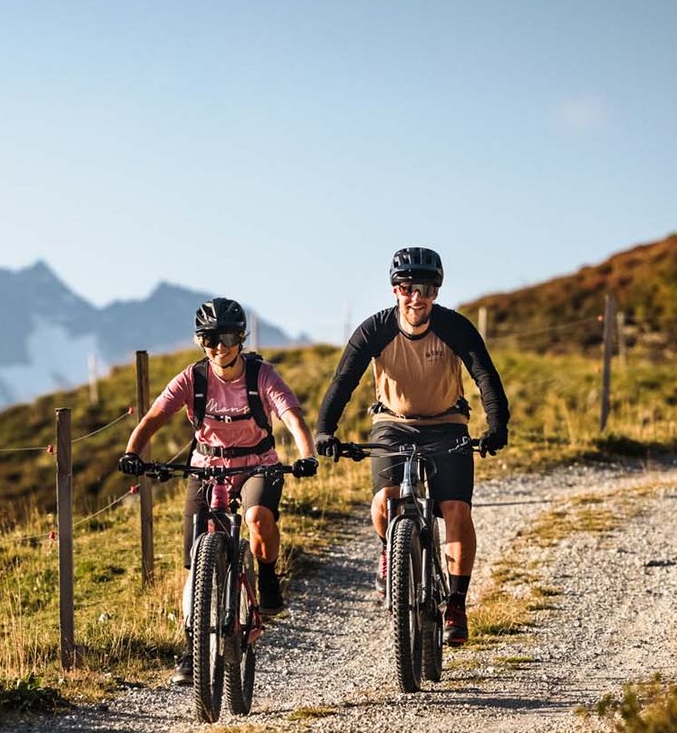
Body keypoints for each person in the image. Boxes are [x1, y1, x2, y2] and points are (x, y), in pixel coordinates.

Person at [313, 247, 510, 646]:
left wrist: (496, 425)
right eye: (406, 287)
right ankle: (391, 552)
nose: (415, 296)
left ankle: (455, 602)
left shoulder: (454, 327)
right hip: (392, 424)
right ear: (394, 290)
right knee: (385, 499)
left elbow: (485, 375)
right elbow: (343, 381)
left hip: (447, 424)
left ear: (436, 292)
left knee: (456, 508)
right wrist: (324, 430)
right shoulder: (375, 329)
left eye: (424, 288)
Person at [119, 297, 318, 686]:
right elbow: (153, 418)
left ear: (241, 338)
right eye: (210, 338)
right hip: (205, 468)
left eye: (226, 337)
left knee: (258, 519)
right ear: (200, 340)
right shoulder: (192, 379)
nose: (219, 346)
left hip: (258, 465)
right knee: (196, 562)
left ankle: (267, 576)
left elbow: (291, 416)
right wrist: (131, 452)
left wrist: (306, 454)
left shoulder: (262, 375)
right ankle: (192, 649)